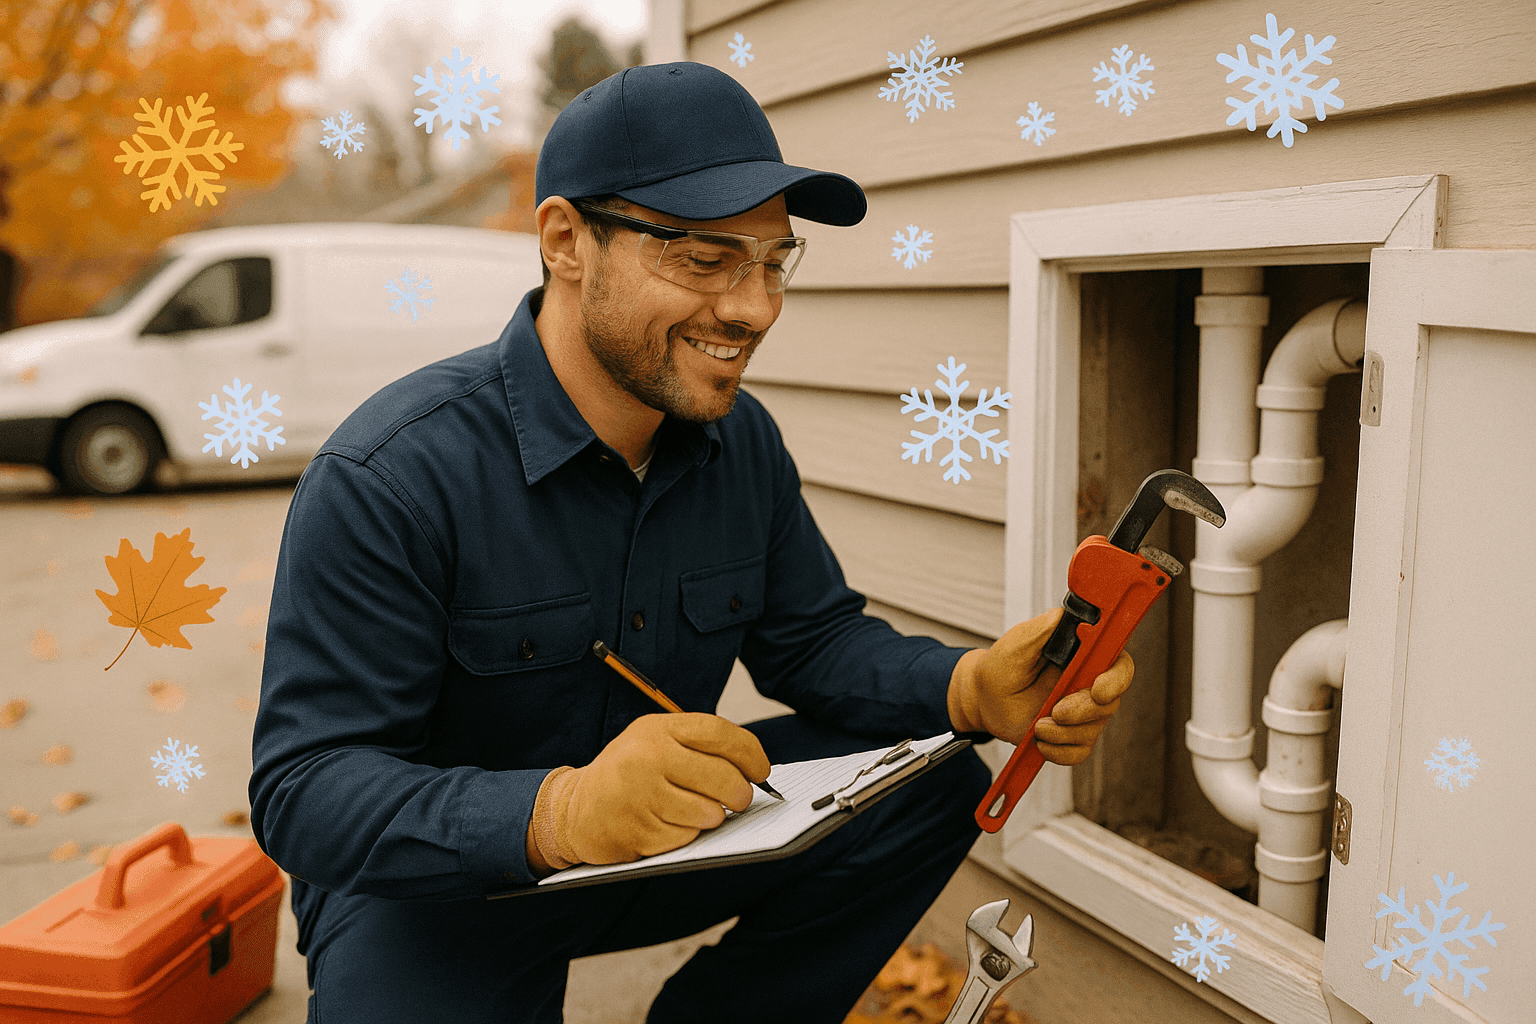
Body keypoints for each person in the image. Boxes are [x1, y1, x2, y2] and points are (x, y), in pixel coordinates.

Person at [249, 61, 1134, 1024]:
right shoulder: (392, 476)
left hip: (671, 841)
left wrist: (969, 688)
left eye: (771, 262)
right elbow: (306, 788)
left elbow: (814, 642)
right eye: (706, 260)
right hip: (442, 888)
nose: (754, 308)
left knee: (929, 781)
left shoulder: (738, 442)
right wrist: (559, 815)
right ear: (565, 241)